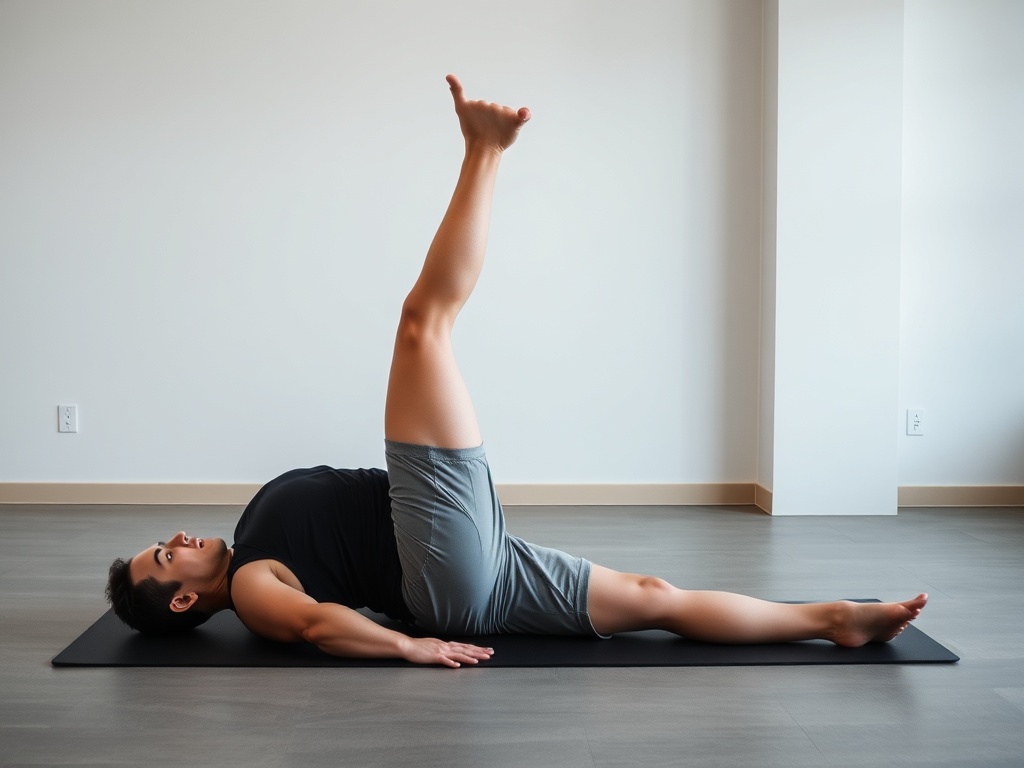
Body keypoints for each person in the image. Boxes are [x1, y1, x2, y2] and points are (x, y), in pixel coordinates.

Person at [105, 75, 928, 668]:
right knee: (422, 328)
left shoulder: (249, 538)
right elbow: (319, 626)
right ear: (184, 599)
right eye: (164, 558)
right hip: (436, 557)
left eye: (162, 542)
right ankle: (484, 153)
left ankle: (832, 620)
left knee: (653, 595)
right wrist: (409, 648)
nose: (175, 540)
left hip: (468, 565)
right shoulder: (251, 586)